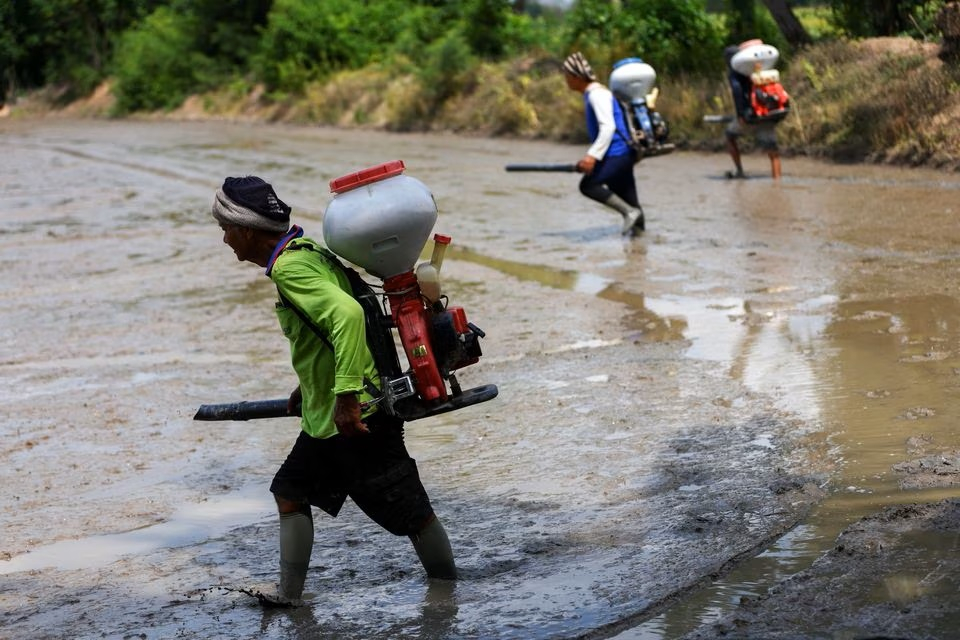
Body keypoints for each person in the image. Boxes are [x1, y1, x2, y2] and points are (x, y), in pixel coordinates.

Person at [210, 176, 457, 606]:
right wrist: (307, 388)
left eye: (226, 228)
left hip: (355, 415)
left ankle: (451, 590)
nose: (226, 239)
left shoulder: (290, 268)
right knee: (291, 490)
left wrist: (344, 397)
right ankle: (289, 595)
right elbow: (326, 333)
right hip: (335, 413)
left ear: (247, 229)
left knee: (410, 511)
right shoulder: (306, 252)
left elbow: (346, 317)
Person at [562, 52, 645, 236]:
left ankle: (629, 214)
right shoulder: (593, 93)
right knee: (631, 201)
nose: (566, 80)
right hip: (620, 154)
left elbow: (608, 127)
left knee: (588, 186)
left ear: (576, 77)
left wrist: (592, 156)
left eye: (567, 76)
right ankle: (639, 252)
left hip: (617, 153)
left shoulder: (596, 94)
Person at [724, 44, 782, 180]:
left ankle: (739, 171)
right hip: (769, 112)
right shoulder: (757, 68)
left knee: (729, 136)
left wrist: (740, 115)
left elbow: (738, 92)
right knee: (773, 150)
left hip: (750, 115)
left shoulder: (735, 73)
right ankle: (777, 182)